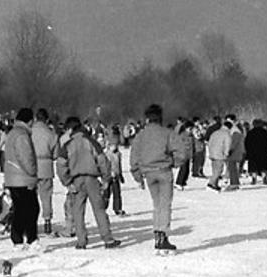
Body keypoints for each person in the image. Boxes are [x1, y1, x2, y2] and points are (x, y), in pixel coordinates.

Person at [57, 116, 120, 250]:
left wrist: (67, 182)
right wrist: (105, 178)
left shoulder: (67, 145)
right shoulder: (91, 142)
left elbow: (61, 165)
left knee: (78, 212)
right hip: (92, 179)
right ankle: (107, 239)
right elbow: (102, 160)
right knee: (99, 209)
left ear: (70, 129)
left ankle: (81, 241)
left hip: (76, 180)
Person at [129, 104, 184, 254]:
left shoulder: (140, 135)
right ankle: (163, 235)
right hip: (164, 171)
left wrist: (137, 175)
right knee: (165, 204)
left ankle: (157, 234)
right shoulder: (167, 133)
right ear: (160, 117)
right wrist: (175, 162)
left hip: (149, 173)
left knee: (157, 204)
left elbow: (134, 156)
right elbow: (181, 151)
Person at [2, 107, 40, 248]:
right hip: (23, 178)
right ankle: (30, 238)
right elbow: (26, 157)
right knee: (31, 209)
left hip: (13, 177)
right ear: (30, 120)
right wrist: (33, 172)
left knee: (20, 209)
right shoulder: (22, 135)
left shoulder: (12, 133)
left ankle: (18, 239)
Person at [30, 109, 60, 236]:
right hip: (46, 167)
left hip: (31, 166)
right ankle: (47, 221)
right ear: (47, 119)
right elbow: (56, 154)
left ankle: (32, 222)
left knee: (31, 197)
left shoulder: (29, 132)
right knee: (46, 196)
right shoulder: (52, 134)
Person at [206, 119, 232, 192]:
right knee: (218, 171)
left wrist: (210, 151)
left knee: (214, 170)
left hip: (212, 153)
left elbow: (209, 142)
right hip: (220, 154)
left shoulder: (215, 132)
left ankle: (215, 185)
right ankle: (210, 184)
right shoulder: (227, 134)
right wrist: (226, 154)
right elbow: (227, 144)